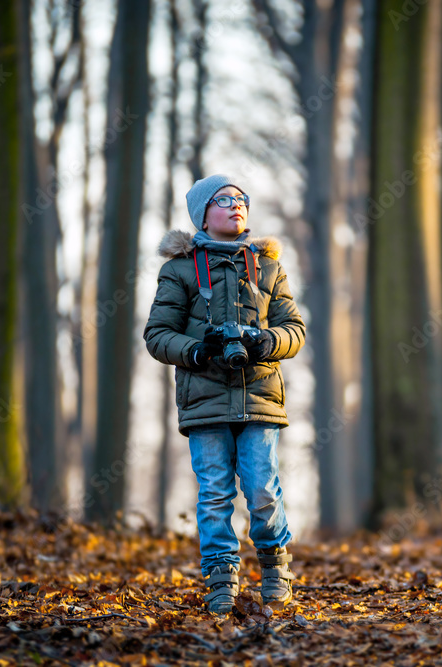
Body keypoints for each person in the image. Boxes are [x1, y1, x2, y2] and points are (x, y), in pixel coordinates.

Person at [143, 174, 306, 615]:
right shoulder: (179, 269)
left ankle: (275, 569)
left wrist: (266, 341)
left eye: (241, 199)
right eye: (223, 200)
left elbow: (296, 330)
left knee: (262, 489)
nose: (235, 205)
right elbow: (157, 335)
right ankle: (220, 580)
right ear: (202, 213)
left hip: (259, 399)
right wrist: (197, 350)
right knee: (214, 492)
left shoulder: (267, 266)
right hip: (205, 401)